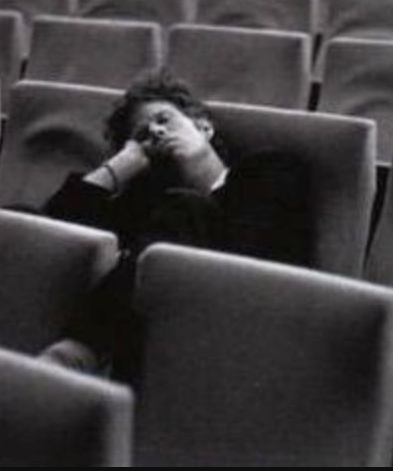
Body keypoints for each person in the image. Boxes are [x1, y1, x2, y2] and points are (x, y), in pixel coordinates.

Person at [39, 69, 312, 373]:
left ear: (204, 127)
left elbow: (256, 258)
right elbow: (54, 234)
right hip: (161, 341)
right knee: (20, 213)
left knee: (183, 210)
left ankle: (76, 355)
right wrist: (122, 164)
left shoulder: (267, 170)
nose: (155, 132)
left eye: (164, 119)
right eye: (142, 136)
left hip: (251, 328)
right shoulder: (149, 208)